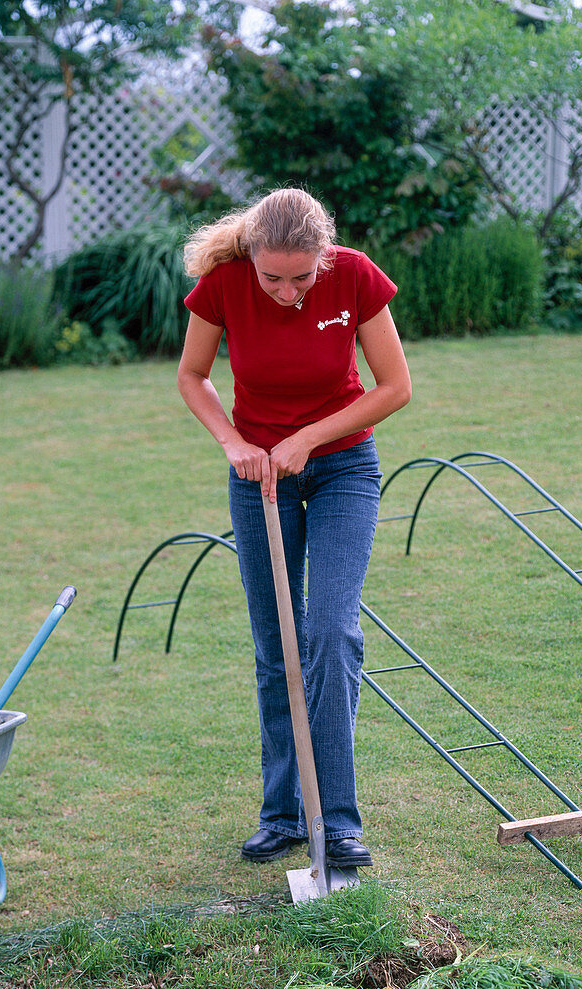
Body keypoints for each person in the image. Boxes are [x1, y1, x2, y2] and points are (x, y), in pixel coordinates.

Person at [177, 188, 411, 868]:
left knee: (330, 633)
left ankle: (335, 821)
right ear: (251, 257)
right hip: (258, 480)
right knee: (276, 645)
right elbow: (193, 376)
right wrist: (232, 444)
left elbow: (393, 386)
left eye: (301, 277)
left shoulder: (355, 274)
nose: (285, 290)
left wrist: (308, 438)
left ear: (323, 257)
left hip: (342, 468)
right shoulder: (223, 283)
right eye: (272, 277)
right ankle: (281, 815)